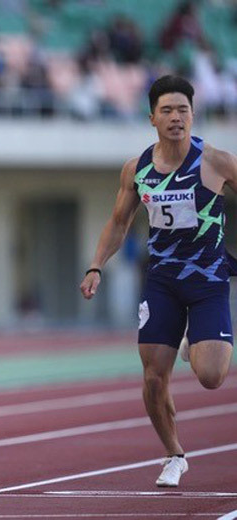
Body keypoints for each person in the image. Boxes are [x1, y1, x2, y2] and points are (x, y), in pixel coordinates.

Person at [80, 75, 235, 488]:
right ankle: (173, 454)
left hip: (207, 280)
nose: (176, 117)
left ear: (192, 114)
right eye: (167, 110)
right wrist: (96, 265)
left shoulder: (216, 161)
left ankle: (194, 340)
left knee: (211, 376)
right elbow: (118, 223)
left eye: (182, 110)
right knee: (152, 376)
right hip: (162, 281)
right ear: (152, 118)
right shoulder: (138, 169)